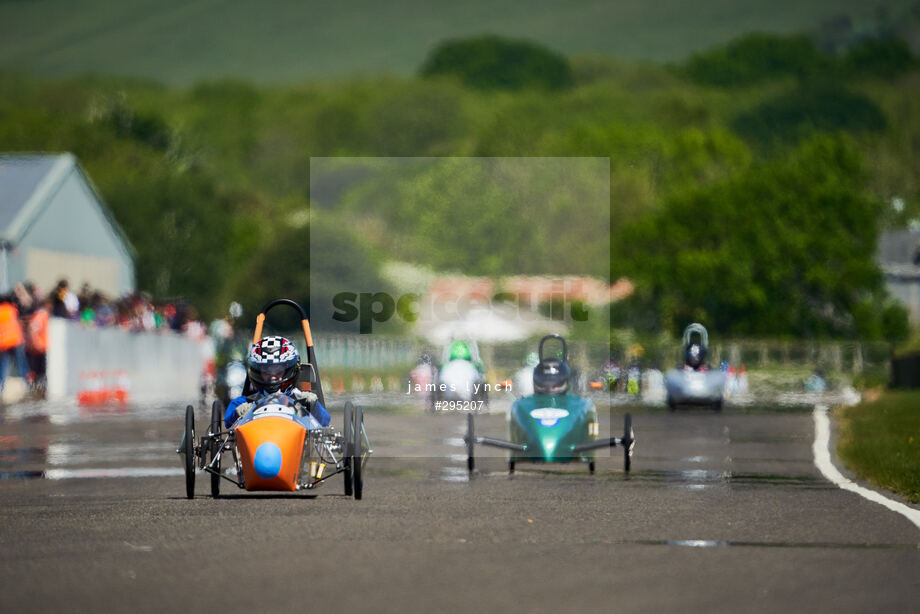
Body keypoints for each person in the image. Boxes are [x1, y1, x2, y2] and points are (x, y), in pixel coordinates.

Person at [224, 336, 330, 428]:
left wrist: (313, 405)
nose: (273, 376)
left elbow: (325, 421)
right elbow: (228, 422)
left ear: (289, 370)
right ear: (258, 372)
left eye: (278, 370)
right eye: (266, 371)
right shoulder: (246, 402)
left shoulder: (300, 399)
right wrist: (237, 413)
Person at [0, 294, 29, 397]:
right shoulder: (12, 309)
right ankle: (28, 387)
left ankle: (1, 388)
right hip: (16, 340)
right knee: (22, 364)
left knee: (3, 366)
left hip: (4, 343)